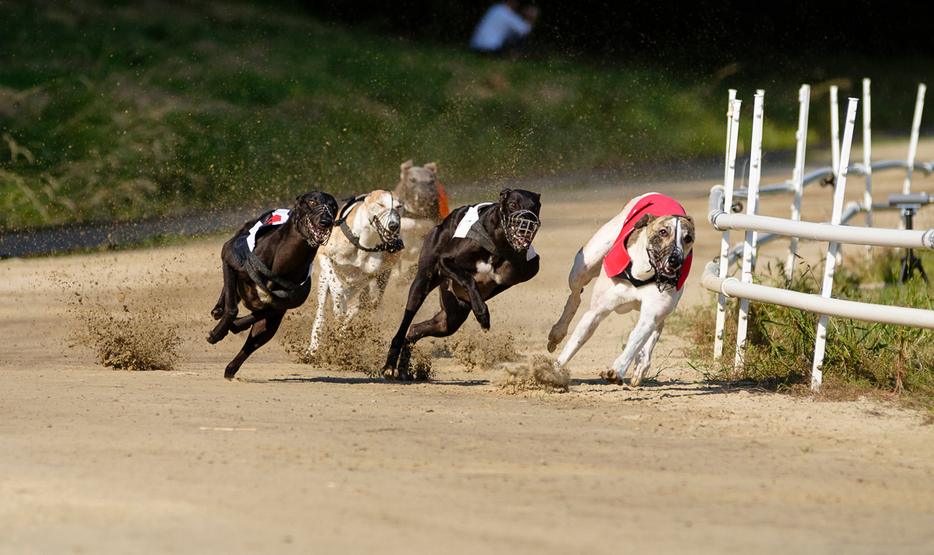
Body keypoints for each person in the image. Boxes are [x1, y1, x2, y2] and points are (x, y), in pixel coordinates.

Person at [469, 1, 539, 56]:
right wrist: (530, 18)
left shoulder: (495, 8)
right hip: (490, 49)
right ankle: (512, 57)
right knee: (520, 39)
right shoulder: (507, 13)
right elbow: (525, 30)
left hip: (476, 47)